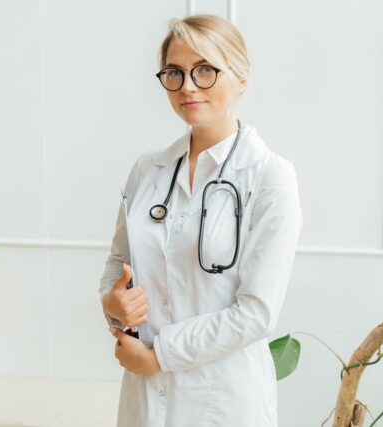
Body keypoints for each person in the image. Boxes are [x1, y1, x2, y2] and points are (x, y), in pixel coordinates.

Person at [98, 14, 303, 427]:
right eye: (175, 72)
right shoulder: (147, 170)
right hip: (145, 397)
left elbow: (256, 313)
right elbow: (117, 263)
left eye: (205, 70)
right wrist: (113, 303)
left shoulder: (269, 176)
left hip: (223, 400)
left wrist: (159, 356)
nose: (188, 86)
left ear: (241, 79)